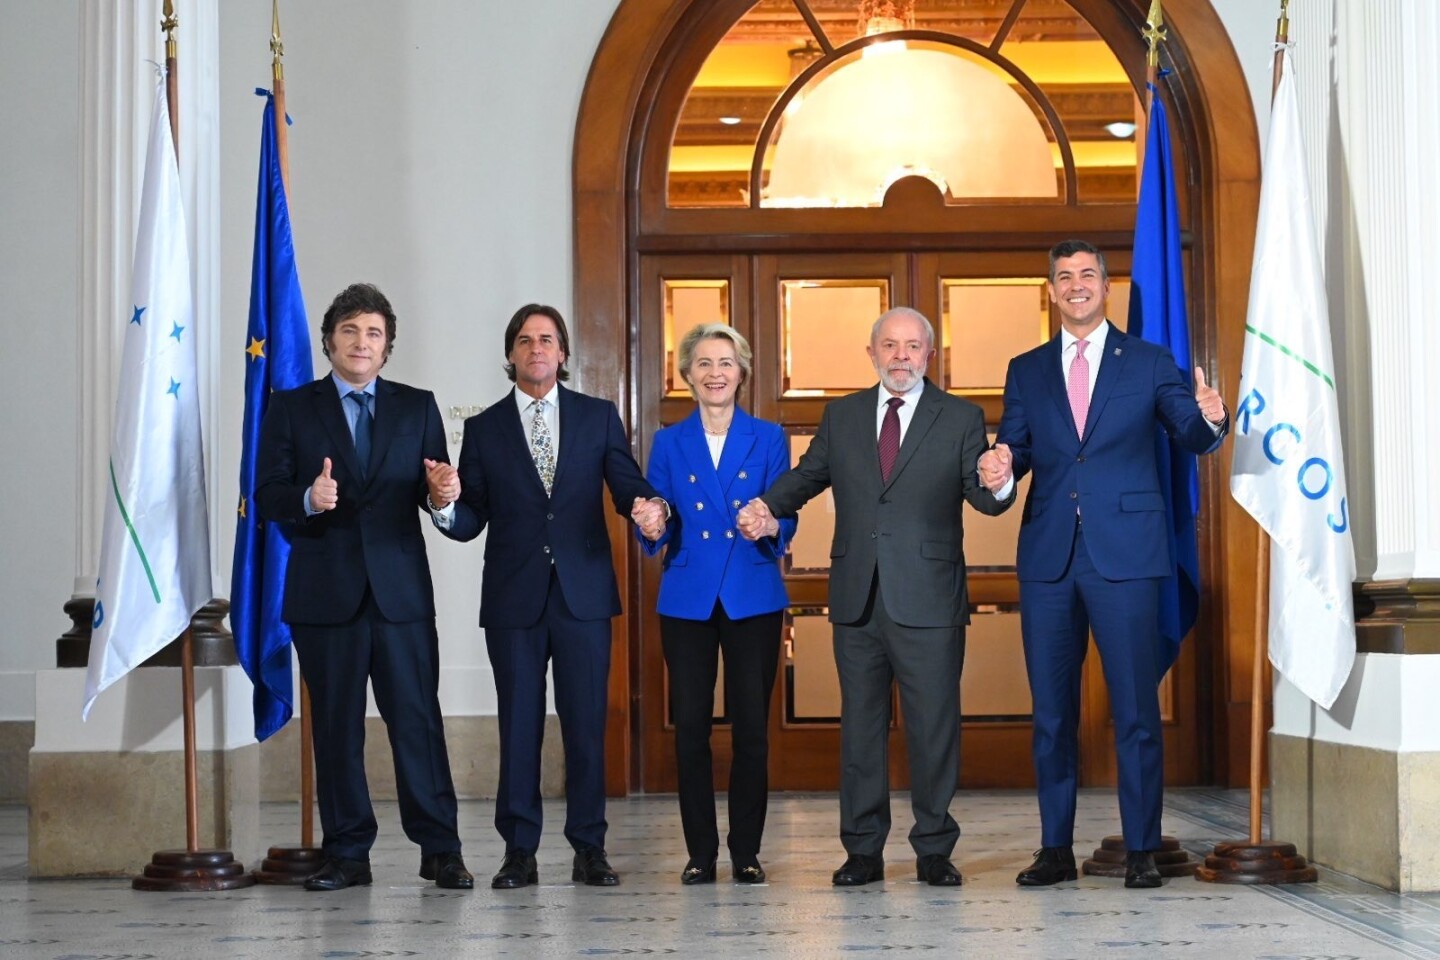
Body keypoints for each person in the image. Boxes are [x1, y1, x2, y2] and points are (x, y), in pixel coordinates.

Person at [983, 239, 1227, 889]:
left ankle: (1143, 849)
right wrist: (1001, 472)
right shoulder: (1027, 369)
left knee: (1136, 711)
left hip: (1130, 556)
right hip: (1049, 559)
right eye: (1063, 276)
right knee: (1052, 715)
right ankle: (1055, 850)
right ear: (1052, 290)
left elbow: (1189, 433)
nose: (1076, 285)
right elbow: (1015, 452)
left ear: (1105, 286)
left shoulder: (1149, 362)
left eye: (1087, 274)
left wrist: (1211, 420)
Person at [738, 307, 1011, 887]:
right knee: (860, 729)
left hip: (930, 600)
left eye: (913, 346)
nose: (901, 356)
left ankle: (934, 849)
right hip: (857, 597)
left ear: (929, 356)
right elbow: (808, 475)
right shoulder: (843, 416)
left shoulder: (961, 417)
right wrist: (768, 506)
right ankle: (862, 849)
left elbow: (986, 500)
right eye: (890, 345)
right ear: (872, 353)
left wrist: (999, 479)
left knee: (933, 727)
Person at [427, 304, 666, 889]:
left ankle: (590, 848)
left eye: (548, 340)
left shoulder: (597, 416)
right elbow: (470, 517)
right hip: (514, 601)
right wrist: (443, 502)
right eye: (526, 340)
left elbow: (625, 483)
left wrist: (647, 507)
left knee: (586, 724)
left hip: (583, 595)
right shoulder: (484, 429)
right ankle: (519, 851)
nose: (537, 349)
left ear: (563, 355)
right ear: (510, 355)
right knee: (519, 724)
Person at [254, 283, 472, 891]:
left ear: (387, 347)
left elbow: (436, 488)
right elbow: (265, 495)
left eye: (373, 332)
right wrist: (306, 498)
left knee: (417, 723)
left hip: (401, 596)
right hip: (326, 599)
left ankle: (441, 850)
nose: (361, 342)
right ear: (329, 341)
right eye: (350, 330)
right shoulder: (292, 408)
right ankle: (348, 854)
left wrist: (442, 495)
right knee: (337, 728)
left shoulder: (417, 406)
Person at [638, 323, 795, 885]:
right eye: (703, 363)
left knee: (752, 729)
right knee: (692, 731)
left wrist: (772, 522)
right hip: (688, 598)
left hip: (752, 593)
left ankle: (747, 851)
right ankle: (700, 851)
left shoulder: (769, 436)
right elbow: (656, 515)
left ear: (742, 372)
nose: (715, 373)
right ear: (687, 375)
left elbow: (787, 508)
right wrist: (651, 521)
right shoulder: (668, 441)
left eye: (726, 363)